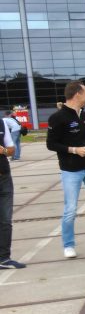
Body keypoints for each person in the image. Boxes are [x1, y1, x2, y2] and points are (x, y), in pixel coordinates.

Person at [46, 81, 85, 258]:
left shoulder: (84, 115)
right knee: (70, 209)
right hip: (70, 170)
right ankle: (68, 245)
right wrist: (74, 150)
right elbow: (51, 144)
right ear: (77, 95)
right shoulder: (57, 118)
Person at [0, 115, 24, 268]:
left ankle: (4, 258)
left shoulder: (1, 123)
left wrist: (4, 150)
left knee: (6, 221)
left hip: (4, 177)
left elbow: (11, 149)